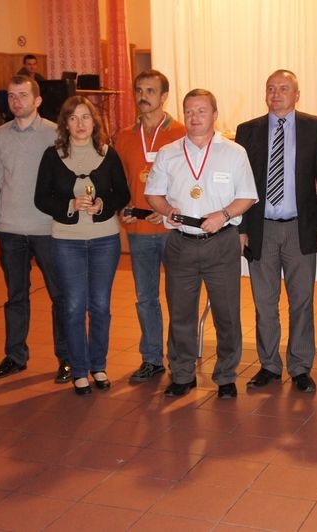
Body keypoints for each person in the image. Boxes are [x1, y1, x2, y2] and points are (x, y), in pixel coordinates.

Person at [144, 89, 257, 399]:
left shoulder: (234, 153)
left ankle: (226, 376)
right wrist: (167, 209)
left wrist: (224, 215)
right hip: (181, 243)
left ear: (215, 114)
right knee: (181, 314)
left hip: (221, 242)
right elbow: (152, 193)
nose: (194, 117)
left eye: (201, 111)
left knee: (227, 314)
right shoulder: (169, 152)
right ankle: (182, 374)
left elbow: (247, 196)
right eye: (189, 111)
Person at [235, 70, 317, 393]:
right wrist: (242, 228)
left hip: (299, 228)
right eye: (271, 88)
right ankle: (269, 366)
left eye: (284, 88)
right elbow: (240, 184)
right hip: (260, 228)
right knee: (264, 303)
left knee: (301, 301)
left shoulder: (314, 127)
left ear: (296, 94)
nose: (276, 94)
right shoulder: (248, 131)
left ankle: (300, 367)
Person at [34, 96, 130, 395]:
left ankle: (98, 365)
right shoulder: (52, 156)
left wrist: (102, 204)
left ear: (94, 122)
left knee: (100, 305)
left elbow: (122, 193)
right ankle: (78, 370)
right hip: (67, 241)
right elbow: (41, 198)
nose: (80, 124)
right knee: (74, 306)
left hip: (105, 240)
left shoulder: (108, 154)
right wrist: (70, 205)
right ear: (65, 124)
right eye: (73, 118)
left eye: (85, 117)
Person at [0, 75, 71, 383]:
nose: (16, 101)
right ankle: (15, 356)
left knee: (60, 296)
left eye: (22, 95)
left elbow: (64, 180)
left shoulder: (55, 133)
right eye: (11, 96)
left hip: (47, 229)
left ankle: (67, 357)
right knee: (15, 297)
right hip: (11, 228)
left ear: (37, 100)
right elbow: (0, 179)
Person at [113, 70, 186, 383]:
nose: (143, 96)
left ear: (164, 96)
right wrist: (121, 208)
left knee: (179, 298)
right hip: (139, 231)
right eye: (139, 90)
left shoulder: (181, 133)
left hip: (173, 230)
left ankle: (181, 360)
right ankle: (152, 359)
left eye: (151, 91)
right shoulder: (124, 136)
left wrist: (167, 209)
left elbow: (191, 181)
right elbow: (116, 181)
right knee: (145, 298)